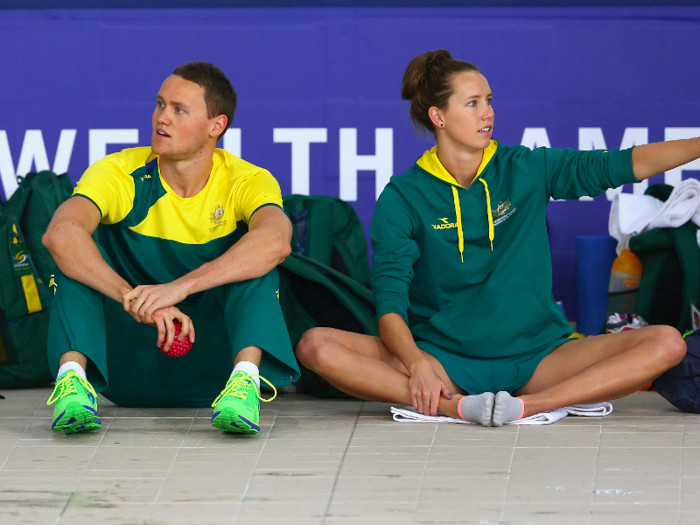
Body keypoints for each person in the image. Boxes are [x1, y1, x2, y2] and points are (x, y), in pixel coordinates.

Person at [296, 50, 695, 427]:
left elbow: (625, 164)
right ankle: (456, 408)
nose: (487, 113)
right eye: (472, 103)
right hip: (445, 362)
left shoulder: (527, 167)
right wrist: (417, 363)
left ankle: (526, 408)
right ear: (438, 115)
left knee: (668, 342)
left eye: (489, 100)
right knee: (315, 346)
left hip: (540, 359)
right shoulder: (402, 196)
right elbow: (390, 301)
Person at [43, 62, 299, 435]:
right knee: (72, 260)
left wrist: (178, 288)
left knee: (258, 265)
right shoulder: (119, 172)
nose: (162, 118)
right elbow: (59, 234)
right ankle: (73, 385)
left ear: (217, 126)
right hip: (120, 362)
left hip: (213, 363)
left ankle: (244, 384)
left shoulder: (248, 180)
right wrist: (136, 298)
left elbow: (277, 241)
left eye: (179, 110)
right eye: (160, 104)